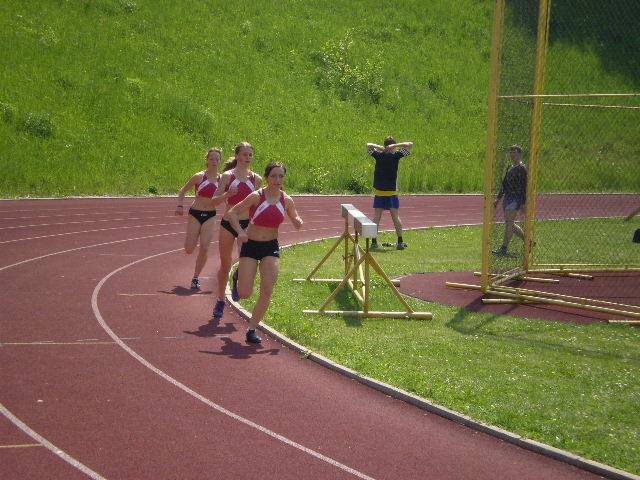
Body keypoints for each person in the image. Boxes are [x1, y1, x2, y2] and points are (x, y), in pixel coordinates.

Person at [224, 162, 303, 343]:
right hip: (251, 245)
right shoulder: (256, 196)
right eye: (274, 176)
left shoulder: (287, 199)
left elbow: (295, 217)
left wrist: (298, 221)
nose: (277, 180)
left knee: (267, 289)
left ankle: (252, 329)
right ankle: (238, 277)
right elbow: (232, 213)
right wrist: (241, 232)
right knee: (245, 294)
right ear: (267, 177)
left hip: (270, 246)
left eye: (281, 176)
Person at [212, 142, 262, 318]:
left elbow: (259, 204)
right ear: (237, 156)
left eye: (250, 155)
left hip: (246, 225)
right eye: (244, 154)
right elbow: (214, 200)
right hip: (228, 223)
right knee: (225, 264)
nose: (248, 158)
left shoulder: (256, 179)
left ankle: (236, 280)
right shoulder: (227, 176)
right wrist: (227, 194)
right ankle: (220, 300)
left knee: (244, 261)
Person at [175, 148, 237, 289]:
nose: (214, 162)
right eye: (211, 159)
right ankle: (191, 245)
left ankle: (196, 277)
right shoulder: (199, 176)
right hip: (195, 213)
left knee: (204, 247)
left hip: (210, 215)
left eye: (217, 159)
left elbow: (227, 197)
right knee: (189, 249)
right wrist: (180, 206)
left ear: (220, 162)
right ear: (207, 160)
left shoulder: (222, 180)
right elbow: (182, 191)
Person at [365, 136, 413, 250]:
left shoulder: (378, 155)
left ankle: (374, 242)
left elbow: (368, 145)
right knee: (395, 216)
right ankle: (400, 241)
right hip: (392, 192)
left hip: (380, 192)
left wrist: (380, 148)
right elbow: (410, 144)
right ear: (392, 147)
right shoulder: (396, 156)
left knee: (377, 217)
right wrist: (395, 146)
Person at [492, 144, 527, 255]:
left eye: (514, 152)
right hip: (507, 197)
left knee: (509, 223)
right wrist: (498, 198)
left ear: (520, 154)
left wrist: (522, 203)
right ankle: (528, 242)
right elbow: (504, 184)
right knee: (510, 223)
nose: (512, 154)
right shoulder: (510, 167)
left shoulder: (522, 168)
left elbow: (523, 187)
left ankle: (504, 248)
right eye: (511, 152)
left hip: (515, 199)